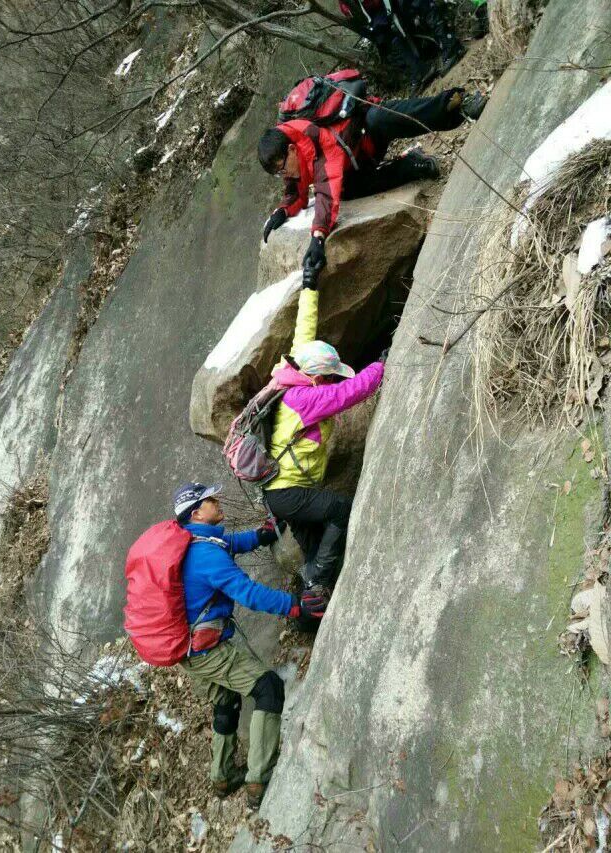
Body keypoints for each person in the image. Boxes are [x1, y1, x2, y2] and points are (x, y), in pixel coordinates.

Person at [174, 481, 327, 808]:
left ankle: (221, 777)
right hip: (206, 650)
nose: (218, 501)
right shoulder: (205, 556)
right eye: (210, 499)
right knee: (268, 688)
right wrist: (296, 605)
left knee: (226, 700)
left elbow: (228, 542)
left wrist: (260, 536)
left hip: (185, 649)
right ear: (198, 512)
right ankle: (258, 779)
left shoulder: (192, 541)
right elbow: (248, 593)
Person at [259, 85, 486, 276]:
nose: (284, 176)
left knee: (384, 117)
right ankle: (411, 165)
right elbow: (294, 191)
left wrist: (318, 238)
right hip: (357, 161)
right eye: (279, 174)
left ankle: (457, 105)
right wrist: (283, 210)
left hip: (367, 131)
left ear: (291, 150)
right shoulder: (292, 153)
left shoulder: (317, 139)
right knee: (348, 190)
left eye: (282, 169)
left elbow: (326, 191)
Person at [262, 267, 386, 604]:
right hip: (289, 492)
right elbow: (350, 393)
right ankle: (316, 578)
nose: (333, 381)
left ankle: (312, 606)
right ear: (318, 377)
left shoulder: (291, 373)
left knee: (316, 549)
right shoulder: (305, 398)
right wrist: (381, 366)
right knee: (340, 510)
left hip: (280, 493)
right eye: (330, 376)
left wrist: (309, 285)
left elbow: (304, 329)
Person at [339, 0, 466, 89]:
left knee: (418, 3)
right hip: (378, 9)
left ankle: (451, 46)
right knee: (382, 33)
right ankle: (420, 71)